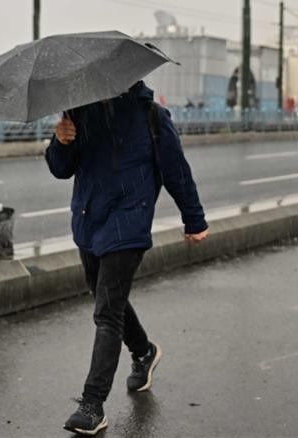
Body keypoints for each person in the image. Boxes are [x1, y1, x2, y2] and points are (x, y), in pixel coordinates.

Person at [46, 80, 209, 436]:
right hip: (89, 221)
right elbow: (61, 169)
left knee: (107, 311)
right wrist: (61, 141)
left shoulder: (150, 116)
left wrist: (194, 219)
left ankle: (92, 405)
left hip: (129, 221)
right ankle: (144, 351)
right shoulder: (79, 113)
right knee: (107, 297)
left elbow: (176, 171)